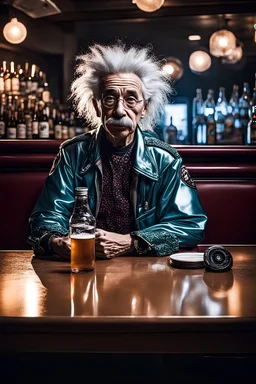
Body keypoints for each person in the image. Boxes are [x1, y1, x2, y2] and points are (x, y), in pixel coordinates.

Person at [28, 41, 208, 260]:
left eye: (131, 99)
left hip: (145, 272)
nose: (120, 110)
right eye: (110, 98)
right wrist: (57, 242)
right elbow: (47, 216)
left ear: (145, 107)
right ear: (97, 105)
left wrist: (130, 242)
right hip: (83, 264)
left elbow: (189, 224)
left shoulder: (165, 159)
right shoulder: (72, 153)